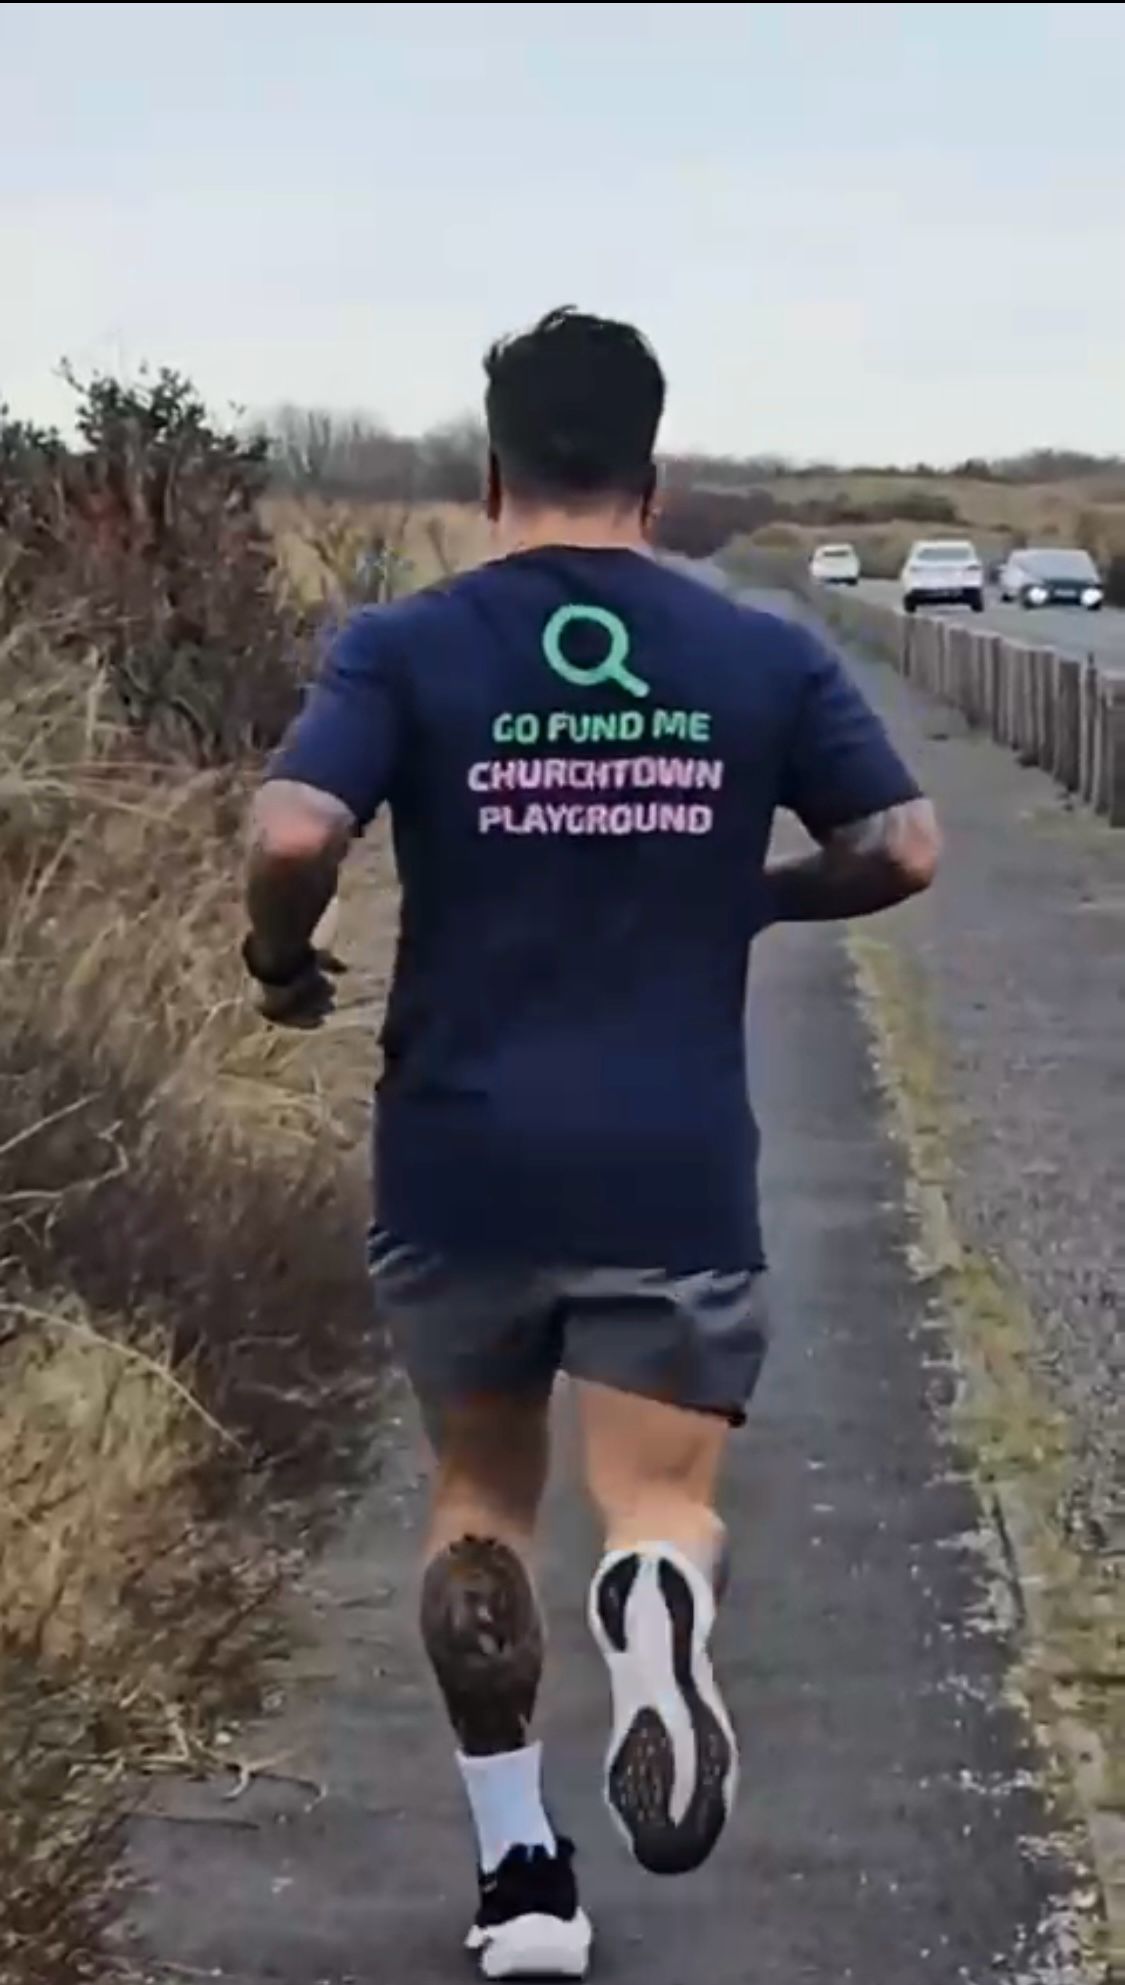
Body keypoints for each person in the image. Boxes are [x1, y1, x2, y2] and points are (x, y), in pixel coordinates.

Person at [243, 307, 940, 1980]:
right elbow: (904, 848)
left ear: (492, 469)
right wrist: (742, 897)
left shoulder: (401, 646)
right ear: (656, 469)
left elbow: (290, 825)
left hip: (460, 1156)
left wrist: (281, 958)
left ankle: (523, 1884)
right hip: (666, 1156)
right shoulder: (755, 656)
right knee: (653, 1495)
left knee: (480, 1493)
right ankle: (655, 1591)